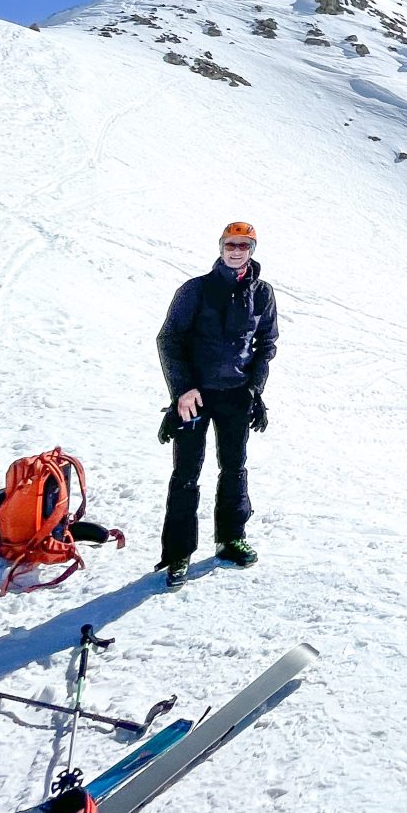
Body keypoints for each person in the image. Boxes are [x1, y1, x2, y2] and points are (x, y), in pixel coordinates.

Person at [155, 220, 278, 590]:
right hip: (196, 395)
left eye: (244, 245)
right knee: (187, 473)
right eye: (230, 244)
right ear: (220, 246)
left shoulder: (262, 293)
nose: (236, 250)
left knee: (234, 468)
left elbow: (266, 346)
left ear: (252, 251)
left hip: (236, 394)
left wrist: (254, 389)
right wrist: (182, 390)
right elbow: (169, 340)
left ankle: (230, 539)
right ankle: (178, 553)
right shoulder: (195, 290)